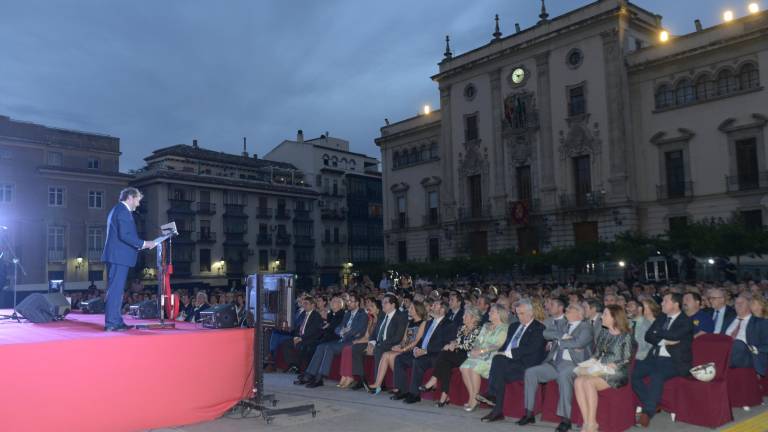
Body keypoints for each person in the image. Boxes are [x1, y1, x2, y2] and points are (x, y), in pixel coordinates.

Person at [517, 303, 593, 431]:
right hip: (554, 363)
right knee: (531, 372)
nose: (566, 310)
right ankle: (529, 413)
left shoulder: (586, 327)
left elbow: (579, 342)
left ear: (579, 314)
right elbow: (546, 333)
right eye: (567, 309)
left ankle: (565, 419)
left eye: (570, 309)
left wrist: (562, 341)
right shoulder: (563, 324)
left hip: (573, 364)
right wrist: (563, 336)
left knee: (564, 376)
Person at [476, 300, 546, 422]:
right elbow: (506, 345)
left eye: (522, 313)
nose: (519, 316)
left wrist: (506, 354)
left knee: (499, 363)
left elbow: (530, 349)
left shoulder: (539, 328)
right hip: (508, 361)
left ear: (531, 313)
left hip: (526, 363)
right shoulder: (513, 326)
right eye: (518, 313)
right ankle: (496, 409)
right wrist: (502, 352)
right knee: (499, 365)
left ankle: (493, 398)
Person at [631, 293, 693, 428]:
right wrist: (665, 340)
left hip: (675, 361)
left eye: (665, 301)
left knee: (657, 375)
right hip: (654, 357)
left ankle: (647, 413)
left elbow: (675, 335)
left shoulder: (686, 320)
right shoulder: (662, 317)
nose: (662, 304)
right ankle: (653, 403)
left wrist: (658, 333)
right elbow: (648, 336)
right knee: (633, 374)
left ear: (676, 304)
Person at [101, 187, 156, 331]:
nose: (138, 204)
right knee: (115, 291)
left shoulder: (118, 210)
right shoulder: (123, 211)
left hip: (117, 256)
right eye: (138, 200)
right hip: (119, 257)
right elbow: (125, 235)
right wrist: (145, 244)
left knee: (117, 291)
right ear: (130, 197)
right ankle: (112, 323)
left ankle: (116, 321)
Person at [573, 305, 635, 432]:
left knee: (588, 382)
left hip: (616, 372)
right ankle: (587, 422)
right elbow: (597, 354)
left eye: (605, 314)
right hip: (600, 368)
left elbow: (626, 359)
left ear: (614, 317)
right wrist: (589, 363)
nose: (602, 317)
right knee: (578, 381)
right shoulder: (604, 332)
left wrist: (611, 365)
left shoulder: (626, 336)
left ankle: (591, 424)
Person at [391, 300, 457, 404]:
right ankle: (402, 390)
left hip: (436, 355)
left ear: (442, 309)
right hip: (422, 352)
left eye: (435, 305)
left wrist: (425, 351)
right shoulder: (429, 322)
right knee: (399, 359)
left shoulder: (449, 324)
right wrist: (417, 349)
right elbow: (421, 339)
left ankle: (414, 394)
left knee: (418, 362)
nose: (432, 306)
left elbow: (444, 344)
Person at [417, 305, 482, 406]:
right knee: (445, 363)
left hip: (470, 357)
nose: (463, 317)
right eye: (464, 315)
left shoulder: (478, 329)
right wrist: (452, 343)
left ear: (473, 318)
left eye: (466, 315)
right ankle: (444, 396)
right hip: (457, 355)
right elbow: (457, 340)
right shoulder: (462, 327)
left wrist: (455, 345)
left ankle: (434, 380)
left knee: (444, 354)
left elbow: (470, 346)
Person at [300, 293, 369, 388]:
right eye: (348, 301)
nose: (348, 303)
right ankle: (309, 374)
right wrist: (341, 332)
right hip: (343, 339)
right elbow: (338, 327)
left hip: (352, 341)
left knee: (329, 347)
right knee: (320, 347)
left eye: (351, 301)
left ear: (357, 303)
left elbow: (358, 330)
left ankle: (320, 377)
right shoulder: (347, 314)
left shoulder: (362, 315)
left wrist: (345, 332)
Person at [368, 300, 427, 394]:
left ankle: (400, 386)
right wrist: (398, 346)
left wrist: (403, 349)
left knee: (392, 357)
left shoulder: (423, 323)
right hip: (405, 348)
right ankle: (378, 384)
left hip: (413, 350)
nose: (409, 309)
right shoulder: (409, 322)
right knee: (386, 354)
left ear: (418, 310)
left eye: (411, 308)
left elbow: (417, 341)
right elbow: (404, 339)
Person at [459, 304, 510, 412]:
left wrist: (481, 351)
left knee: (473, 369)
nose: (489, 314)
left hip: (492, 356)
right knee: (463, 368)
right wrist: (475, 350)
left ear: (499, 314)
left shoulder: (505, 328)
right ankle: (473, 397)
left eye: (492, 312)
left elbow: (497, 345)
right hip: (479, 354)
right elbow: (478, 341)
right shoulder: (486, 325)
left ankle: (474, 399)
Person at [361, 294, 408, 391]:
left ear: (393, 305)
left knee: (378, 349)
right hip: (381, 343)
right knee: (362, 348)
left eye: (385, 302)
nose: (382, 304)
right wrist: (371, 343)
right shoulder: (383, 316)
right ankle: (360, 379)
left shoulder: (400, 316)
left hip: (393, 344)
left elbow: (397, 337)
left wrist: (379, 344)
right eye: (382, 302)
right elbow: (374, 333)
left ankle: (378, 383)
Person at [337, 298, 381, 389]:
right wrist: (357, 341)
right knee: (347, 348)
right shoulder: (371, 319)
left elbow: (376, 337)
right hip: (367, 341)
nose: (369, 307)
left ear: (378, 309)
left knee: (354, 348)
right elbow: (367, 336)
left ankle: (358, 378)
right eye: (369, 306)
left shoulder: (381, 319)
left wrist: (360, 342)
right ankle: (346, 375)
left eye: (372, 306)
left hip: (376, 343)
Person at [281, 296, 324, 374]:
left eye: (306, 303)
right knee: (286, 343)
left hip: (309, 338)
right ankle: (293, 365)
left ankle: (299, 367)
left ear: (312, 305)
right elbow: (298, 327)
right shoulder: (303, 314)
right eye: (303, 303)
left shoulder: (316, 316)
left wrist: (301, 338)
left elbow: (312, 331)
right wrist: (296, 337)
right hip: (300, 337)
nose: (304, 305)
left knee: (302, 346)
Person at [728, 293, 768, 375]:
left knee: (737, 343)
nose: (738, 305)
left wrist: (755, 349)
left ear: (749, 306)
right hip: (726, 350)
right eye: (736, 303)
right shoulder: (728, 320)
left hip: (748, 354)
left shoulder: (760, 322)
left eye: (742, 303)